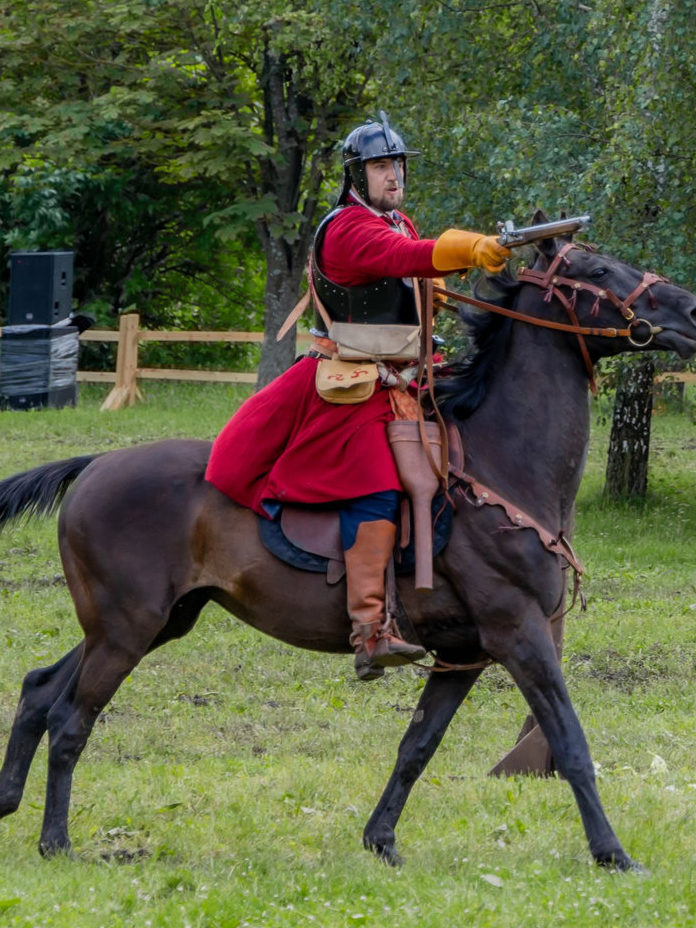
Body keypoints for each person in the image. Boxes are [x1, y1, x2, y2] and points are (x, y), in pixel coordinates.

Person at [203, 115, 512, 678]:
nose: (393, 175)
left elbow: (412, 270)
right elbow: (405, 257)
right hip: (351, 384)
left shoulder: (395, 220)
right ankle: (370, 629)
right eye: (380, 166)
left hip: (402, 374)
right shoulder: (348, 228)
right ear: (356, 175)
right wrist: (472, 247)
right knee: (375, 483)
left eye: (398, 165)